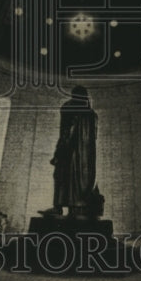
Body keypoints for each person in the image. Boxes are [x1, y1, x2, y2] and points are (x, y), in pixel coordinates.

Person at [43, 85, 98, 216]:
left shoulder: (70, 108)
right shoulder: (92, 115)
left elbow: (67, 133)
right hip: (87, 158)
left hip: (70, 153)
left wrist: (58, 154)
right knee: (81, 181)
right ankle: (77, 208)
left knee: (61, 176)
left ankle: (58, 207)